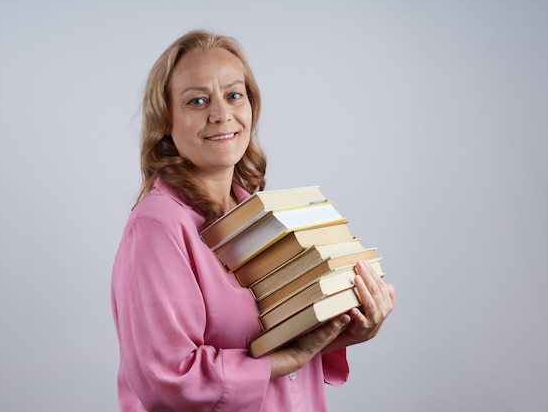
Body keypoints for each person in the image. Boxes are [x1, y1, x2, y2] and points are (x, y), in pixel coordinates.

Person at [111, 29, 395, 412]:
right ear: (166, 121)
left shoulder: (257, 214)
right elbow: (167, 378)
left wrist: (352, 326)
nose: (220, 114)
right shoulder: (158, 226)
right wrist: (284, 362)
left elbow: (281, 334)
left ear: (251, 108)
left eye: (233, 95)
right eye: (197, 101)